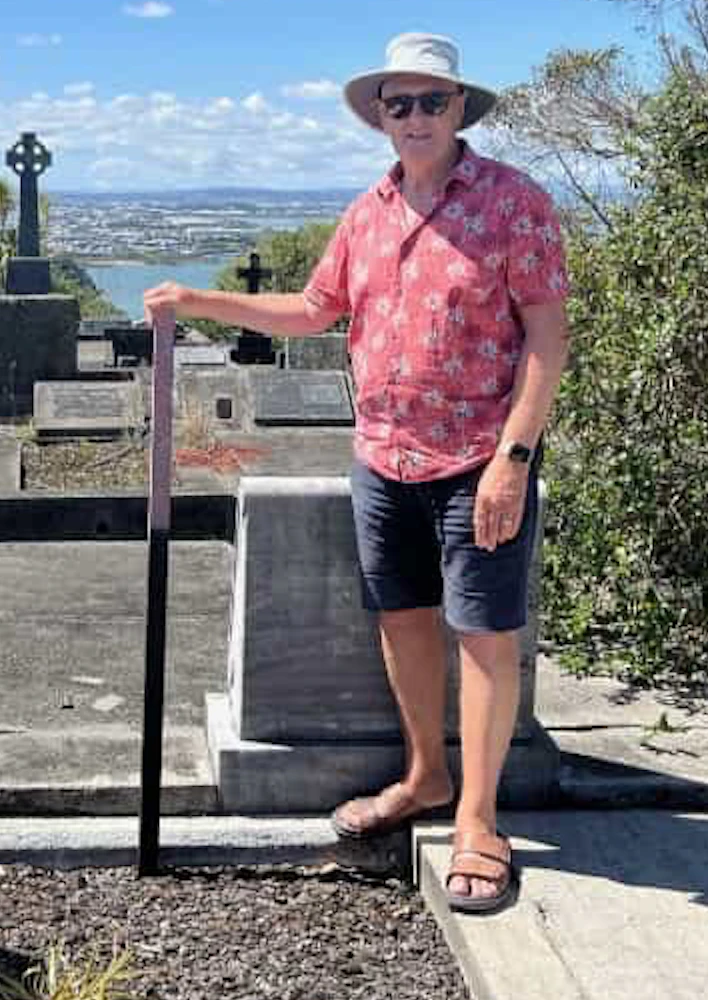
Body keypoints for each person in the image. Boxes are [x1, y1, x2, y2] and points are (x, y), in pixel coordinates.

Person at [143, 32, 572, 913]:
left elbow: (547, 340)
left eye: (431, 101)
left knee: (485, 638)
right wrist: (199, 302)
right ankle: (425, 778)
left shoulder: (512, 204)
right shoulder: (368, 212)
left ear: (461, 110)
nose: (414, 117)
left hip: (476, 462)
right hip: (383, 459)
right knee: (404, 622)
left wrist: (514, 460)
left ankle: (480, 823)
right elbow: (310, 309)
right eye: (399, 103)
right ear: (381, 115)